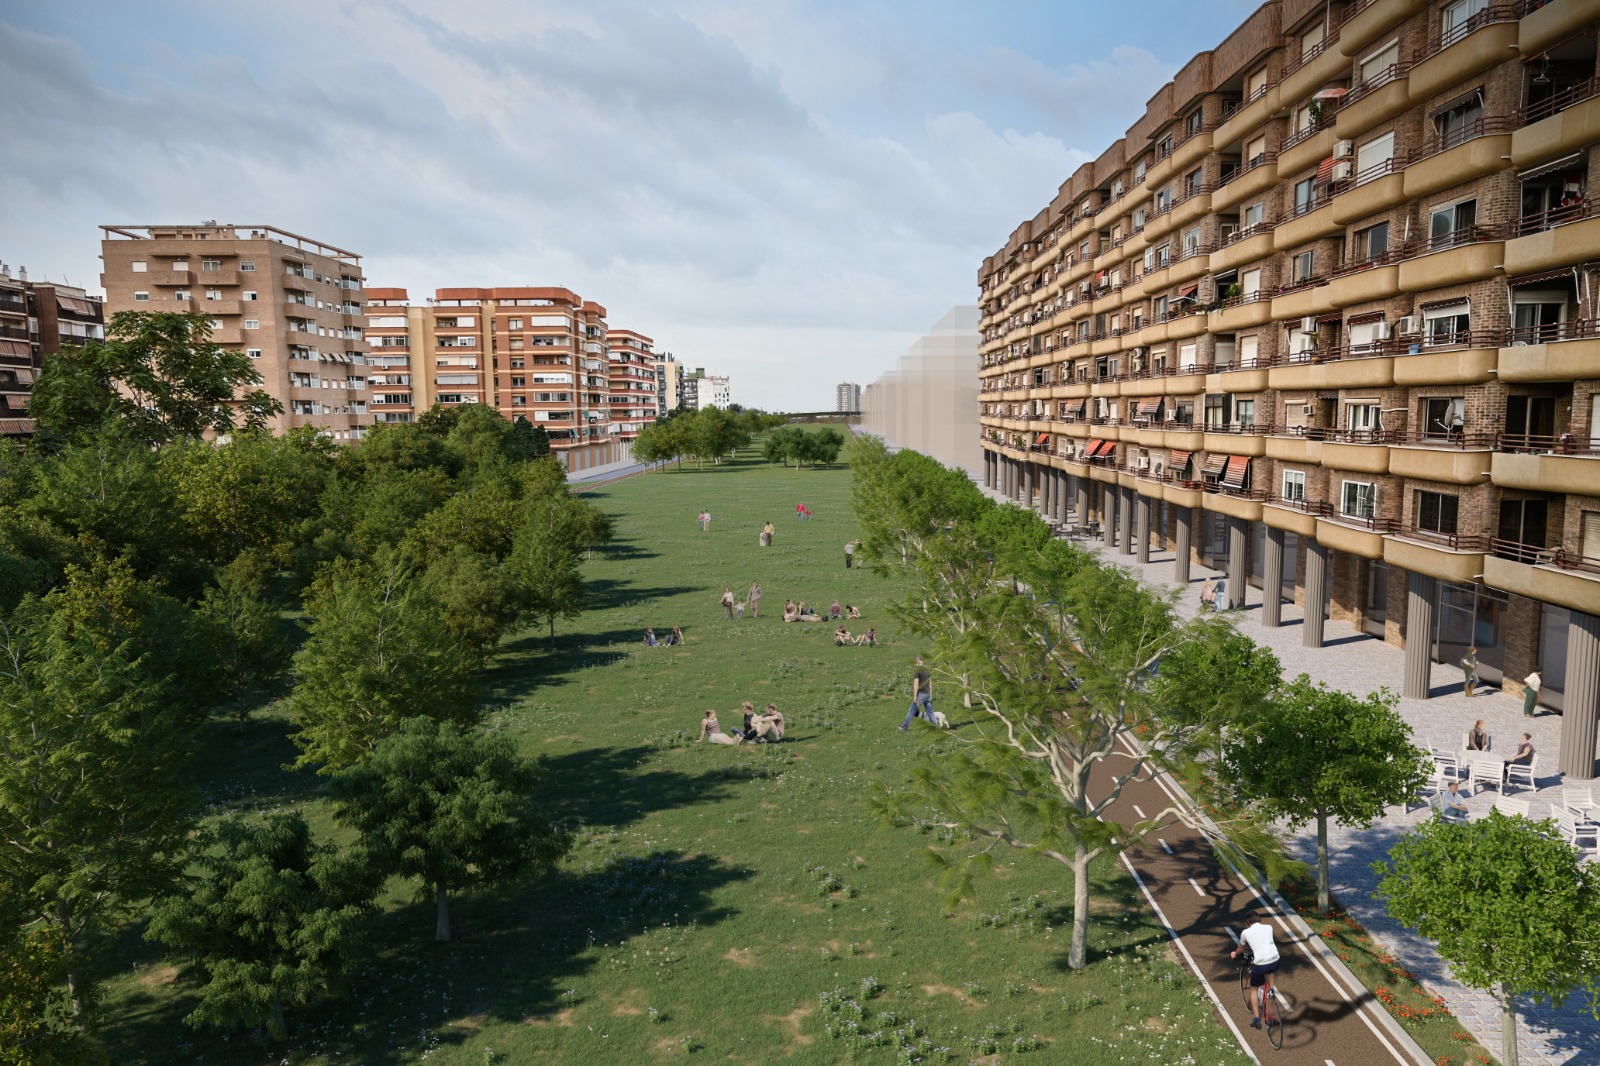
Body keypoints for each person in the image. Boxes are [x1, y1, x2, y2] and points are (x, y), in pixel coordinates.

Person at [1229, 910, 1280, 1030]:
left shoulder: (1245, 933)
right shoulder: (1269, 927)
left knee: (1254, 990)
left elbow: (1241, 949)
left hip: (1261, 964)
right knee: (1270, 969)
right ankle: (1271, 990)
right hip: (1275, 960)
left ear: (1248, 922)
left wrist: (1234, 954)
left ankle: (1257, 1018)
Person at [900, 657, 932, 730]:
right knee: (929, 711)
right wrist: (930, 695)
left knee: (912, 710)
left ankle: (904, 727)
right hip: (927, 693)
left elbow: (916, 684)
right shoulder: (928, 670)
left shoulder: (917, 671)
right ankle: (936, 725)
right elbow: (930, 683)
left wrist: (915, 696)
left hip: (921, 694)